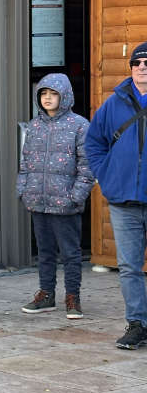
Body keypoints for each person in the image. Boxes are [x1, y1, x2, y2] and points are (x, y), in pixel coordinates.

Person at [16, 73, 93, 319]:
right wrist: (24, 190)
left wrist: (76, 196)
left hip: (66, 203)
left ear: (65, 96)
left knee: (70, 253)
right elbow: (25, 162)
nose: (48, 98)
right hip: (38, 200)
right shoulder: (34, 126)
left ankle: (73, 298)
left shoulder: (79, 126)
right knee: (45, 251)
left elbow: (87, 165)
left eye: (53, 94)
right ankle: (46, 294)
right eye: (43, 94)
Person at [87, 41, 147, 349]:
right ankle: (137, 324)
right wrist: (104, 175)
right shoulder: (114, 103)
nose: (142, 67)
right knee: (129, 267)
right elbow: (94, 143)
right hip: (123, 200)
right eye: (137, 63)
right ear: (131, 68)